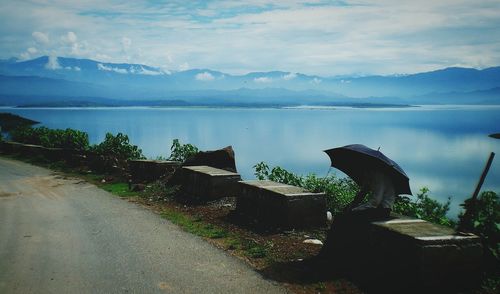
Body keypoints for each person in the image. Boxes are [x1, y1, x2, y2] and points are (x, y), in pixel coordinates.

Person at [318, 169, 397, 263]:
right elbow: (362, 193)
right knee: (341, 217)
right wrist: (351, 205)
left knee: (344, 219)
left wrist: (354, 209)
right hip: (376, 209)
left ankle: (334, 253)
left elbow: (376, 201)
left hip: (382, 209)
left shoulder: (378, 176)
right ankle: (333, 252)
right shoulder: (370, 174)